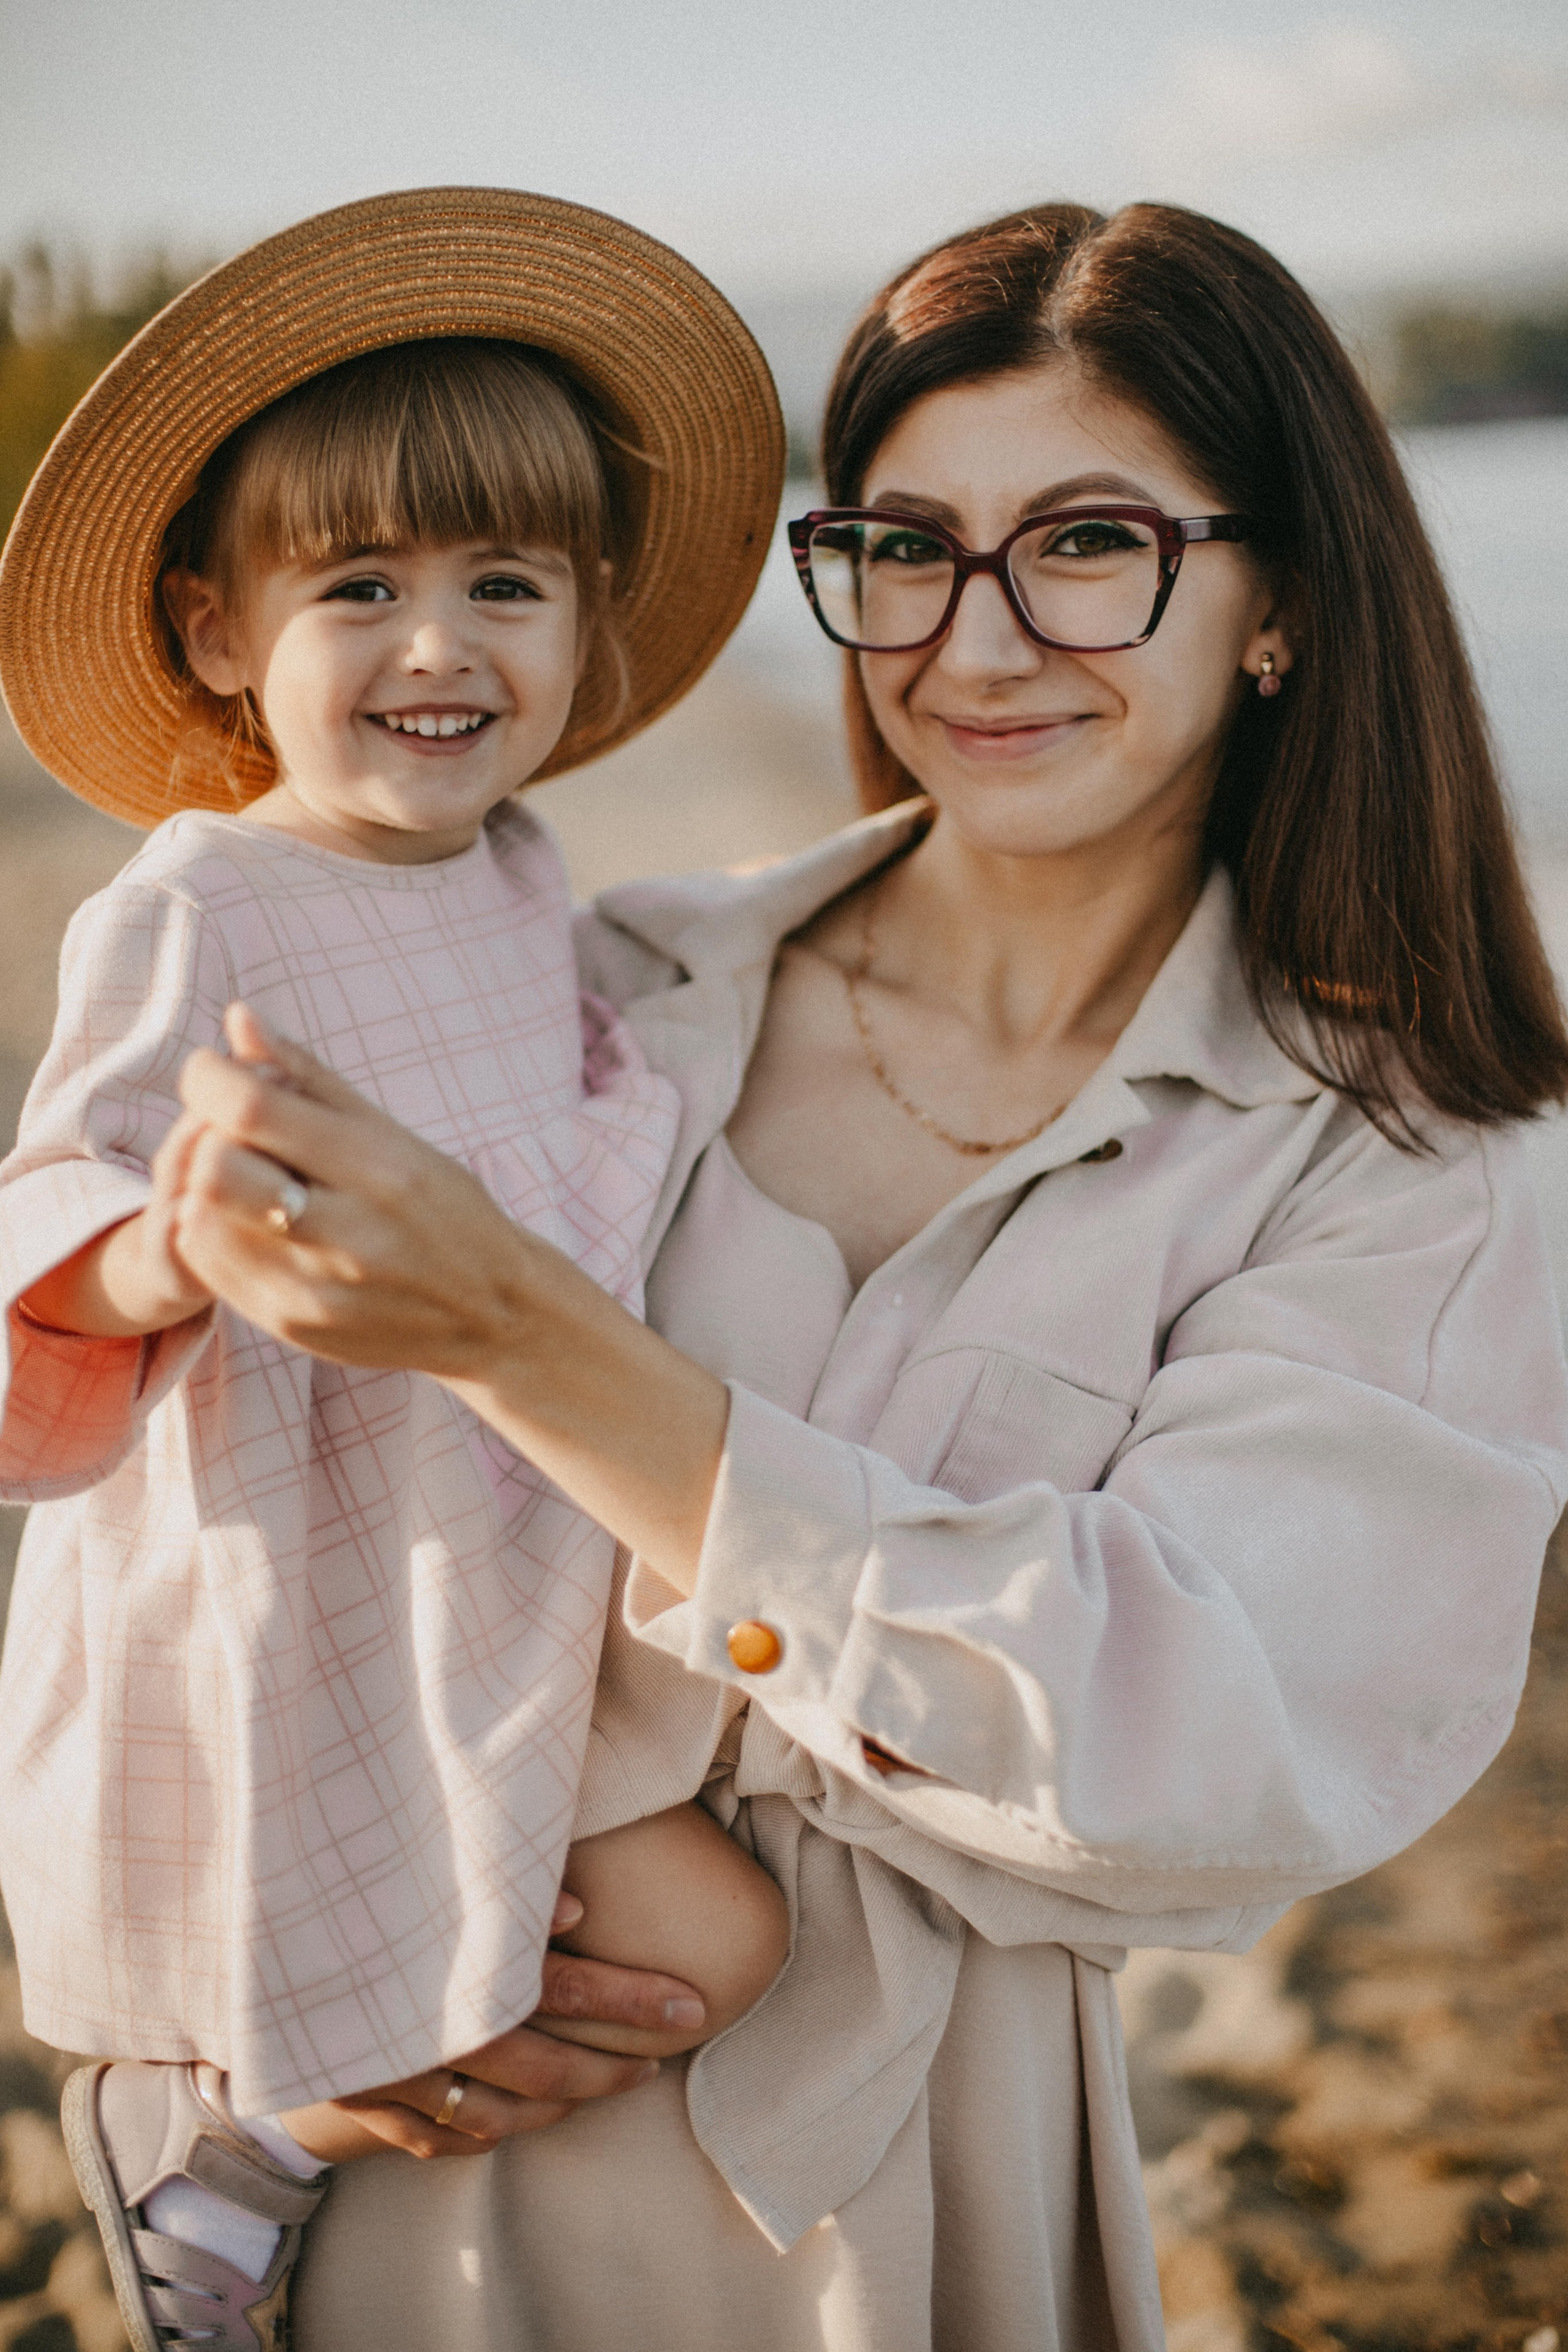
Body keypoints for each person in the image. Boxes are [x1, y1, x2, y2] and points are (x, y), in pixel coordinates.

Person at [38, 196, 1568, 2350]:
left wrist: (538, 1348)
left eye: (1093, 541)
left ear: (1283, 601)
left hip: (894, 2205)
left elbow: (1218, 1748)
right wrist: (227, 1979)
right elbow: (217, 1499)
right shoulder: (617, 997)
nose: (979, 640)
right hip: (406, 2153)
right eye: (908, 547)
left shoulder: (1404, 1160)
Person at [0, 189, 790, 2352]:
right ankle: (236, 2154)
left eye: (503, 587)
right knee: (408, 1934)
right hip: (312, 1541)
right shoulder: (204, 899)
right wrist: (160, 1245)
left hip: (504, 1526)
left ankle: (292, 2136)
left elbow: (586, 1093)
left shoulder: (527, 866)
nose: (441, 646)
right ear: (214, 631)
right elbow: (58, 1173)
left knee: (703, 1938)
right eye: (361, 588)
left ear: (586, 624)